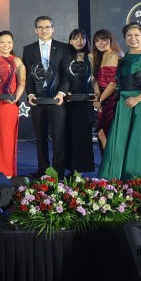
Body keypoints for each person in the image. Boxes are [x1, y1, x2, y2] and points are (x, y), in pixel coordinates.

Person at [98, 22, 141, 180]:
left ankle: (139, 177)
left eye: (137, 35)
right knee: (123, 140)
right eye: (129, 36)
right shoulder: (125, 56)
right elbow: (116, 81)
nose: (133, 38)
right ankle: (121, 176)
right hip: (124, 103)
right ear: (125, 39)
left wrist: (138, 98)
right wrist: (101, 99)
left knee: (139, 141)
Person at [22, 15, 71, 177]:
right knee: (40, 136)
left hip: (57, 99)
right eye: (40, 27)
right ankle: (42, 168)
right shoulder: (29, 49)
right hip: (37, 99)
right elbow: (28, 75)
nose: (44, 30)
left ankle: (58, 170)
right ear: (36, 30)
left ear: (53, 29)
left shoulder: (64, 48)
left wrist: (61, 93)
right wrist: (30, 94)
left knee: (59, 136)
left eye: (47, 27)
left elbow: (67, 74)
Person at [0, 31, 25, 178]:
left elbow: (22, 82)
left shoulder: (18, 61)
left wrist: (15, 98)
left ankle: (7, 171)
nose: (6, 45)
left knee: (7, 138)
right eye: (2, 42)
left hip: (10, 106)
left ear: (13, 44)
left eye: (9, 42)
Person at [65, 28, 95, 173]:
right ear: (70, 41)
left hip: (86, 101)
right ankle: (70, 167)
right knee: (70, 133)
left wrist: (95, 94)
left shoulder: (91, 56)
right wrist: (66, 92)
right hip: (69, 101)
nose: (79, 41)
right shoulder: (65, 57)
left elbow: (95, 78)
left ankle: (82, 168)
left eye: (82, 38)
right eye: (75, 38)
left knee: (84, 134)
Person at [91, 29, 122, 153]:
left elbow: (114, 82)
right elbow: (95, 78)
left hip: (112, 99)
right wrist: (97, 95)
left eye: (104, 39)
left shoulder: (115, 55)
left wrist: (100, 100)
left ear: (111, 40)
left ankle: (110, 162)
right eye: (97, 40)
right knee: (101, 132)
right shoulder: (100, 55)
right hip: (102, 98)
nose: (100, 43)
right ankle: (107, 161)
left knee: (107, 131)